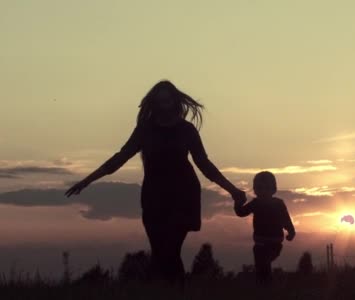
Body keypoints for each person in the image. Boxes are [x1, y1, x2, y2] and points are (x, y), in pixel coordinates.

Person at [65, 80, 246, 284]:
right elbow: (120, 157)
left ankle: (175, 298)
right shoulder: (145, 130)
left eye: (167, 101)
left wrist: (233, 190)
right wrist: (87, 180)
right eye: (159, 101)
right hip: (154, 197)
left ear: (174, 102)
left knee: (170, 249)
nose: (164, 105)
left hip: (183, 196)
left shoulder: (187, 130)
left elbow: (204, 165)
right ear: (154, 103)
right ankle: (167, 299)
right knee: (159, 251)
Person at [234, 171, 296, 283]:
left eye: (266, 188)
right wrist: (238, 202)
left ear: (273, 189)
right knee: (261, 266)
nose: (263, 191)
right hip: (261, 242)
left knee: (263, 263)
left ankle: (265, 284)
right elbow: (241, 212)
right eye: (260, 188)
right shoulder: (256, 203)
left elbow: (286, 219)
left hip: (274, 242)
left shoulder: (277, 203)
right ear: (255, 190)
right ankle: (264, 285)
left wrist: (291, 231)